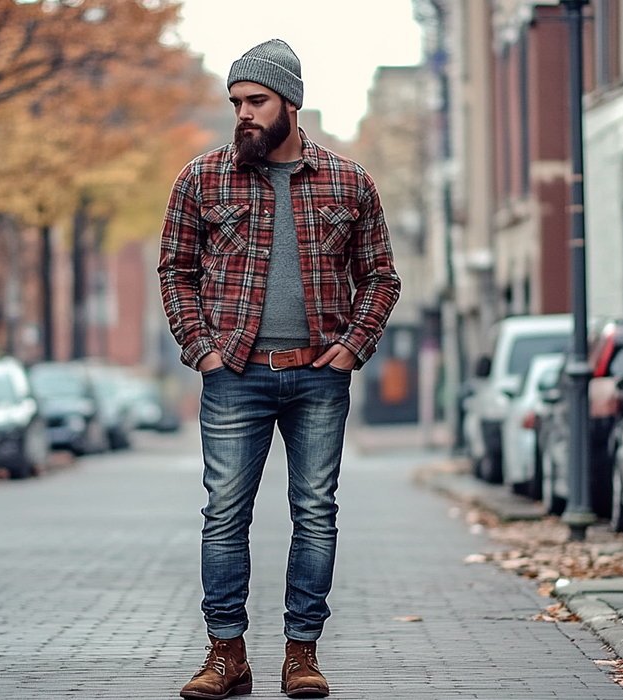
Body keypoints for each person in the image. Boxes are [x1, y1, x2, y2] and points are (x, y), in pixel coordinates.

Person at [159, 38, 400, 700]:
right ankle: (225, 654)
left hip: (320, 376)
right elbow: (175, 272)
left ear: (291, 103)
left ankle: (301, 654)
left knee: (315, 511)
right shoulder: (202, 178)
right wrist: (200, 348)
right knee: (224, 514)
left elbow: (381, 276)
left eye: (256, 101)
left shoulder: (351, 182)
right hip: (234, 373)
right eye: (236, 102)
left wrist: (355, 344)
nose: (243, 114)